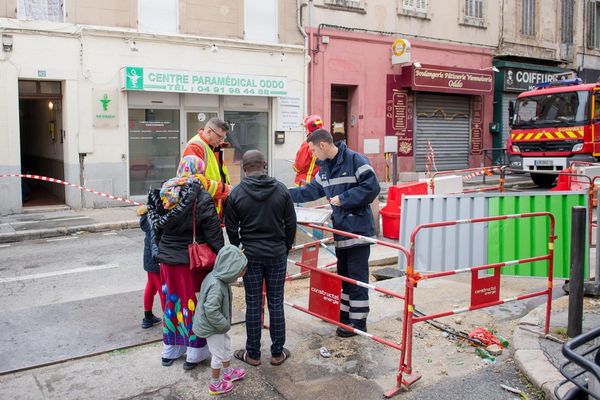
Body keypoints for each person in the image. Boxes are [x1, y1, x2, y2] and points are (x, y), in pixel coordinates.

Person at [288, 129, 380, 337]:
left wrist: (344, 198)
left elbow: (371, 187)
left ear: (322, 145)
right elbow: (309, 191)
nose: (312, 155)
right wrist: (280, 192)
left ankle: (358, 322)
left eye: (312, 150)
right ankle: (346, 317)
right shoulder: (325, 169)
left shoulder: (355, 160)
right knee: (345, 277)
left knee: (357, 279)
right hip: (340, 231)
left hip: (357, 232)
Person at [146, 155, 225, 370]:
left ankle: (170, 349)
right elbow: (213, 232)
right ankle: (194, 352)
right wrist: (223, 257)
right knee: (194, 306)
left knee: (172, 304)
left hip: (167, 261)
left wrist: (159, 252)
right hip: (192, 263)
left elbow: (155, 230)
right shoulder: (200, 194)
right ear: (199, 171)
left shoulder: (165, 192)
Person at [224, 150, 297, 366]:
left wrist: (238, 249)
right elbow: (291, 223)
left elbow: (231, 228)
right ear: (263, 165)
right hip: (276, 254)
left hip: (251, 256)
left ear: (244, 168)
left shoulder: (236, 194)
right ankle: (277, 353)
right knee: (276, 302)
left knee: (253, 303)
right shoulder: (281, 190)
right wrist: (285, 246)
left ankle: (253, 354)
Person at [193, 245, 248, 395]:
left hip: (217, 325)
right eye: (240, 271)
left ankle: (228, 372)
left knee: (225, 346)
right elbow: (211, 309)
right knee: (217, 355)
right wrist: (223, 324)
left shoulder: (217, 278)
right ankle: (215, 384)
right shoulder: (217, 285)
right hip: (213, 327)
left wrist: (223, 325)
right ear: (230, 269)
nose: (242, 274)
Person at [183, 118, 232, 217]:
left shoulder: (211, 145)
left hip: (209, 206)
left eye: (223, 137)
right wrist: (224, 189)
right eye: (219, 137)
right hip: (202, 210)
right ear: (209, 131)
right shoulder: (195, 147)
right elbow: (194, 182)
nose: (221, 140)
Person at [137, 204, 164, 329]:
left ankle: (148, 317)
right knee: (162, 289)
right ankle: (169, 321)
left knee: (151, 286)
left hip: (148, 257)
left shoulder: (146, 216)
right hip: (155, 258)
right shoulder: (155, 217)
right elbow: (155, 240)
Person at [292, 115, 323, 187]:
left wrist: (294, 165)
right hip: (319, 184)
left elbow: (298, 167)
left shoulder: (307, 144)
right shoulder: (324, 142)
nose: (306, 131)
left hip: (305, 183)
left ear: (311, 128)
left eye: (306, 128)